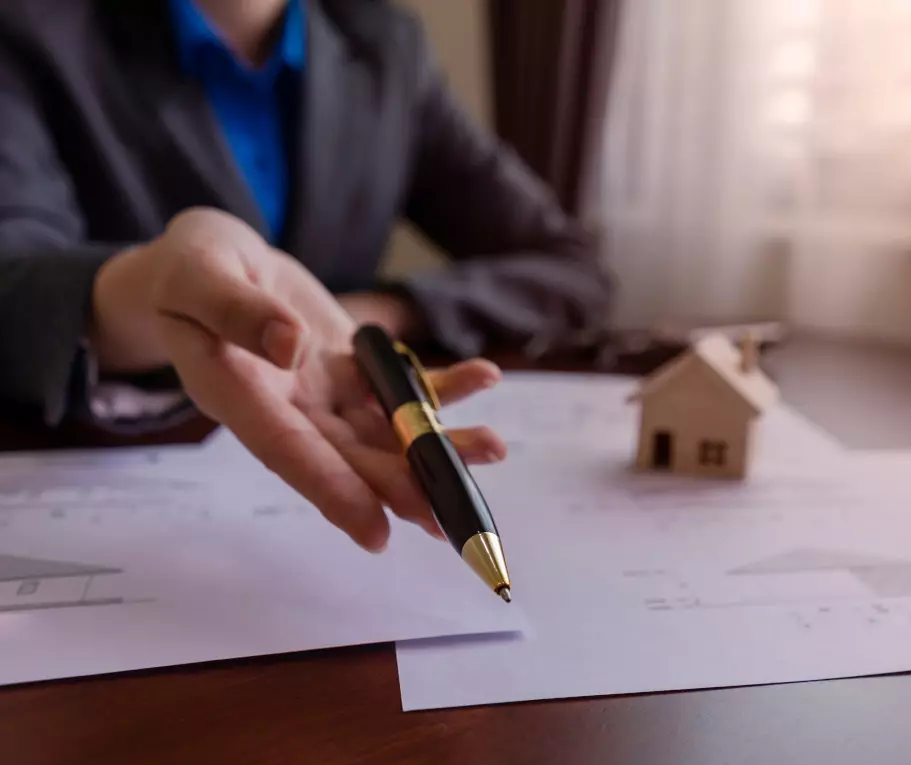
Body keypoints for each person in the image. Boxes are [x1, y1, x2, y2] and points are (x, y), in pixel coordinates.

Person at [0, 0, 612, 551]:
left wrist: (381, 314)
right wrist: (154, 286)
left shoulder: (384, 45)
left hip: (328, 463)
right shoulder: (30, 33)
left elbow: (570, 265)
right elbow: (12, 282)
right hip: (108, 480)